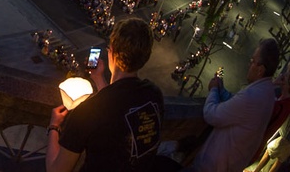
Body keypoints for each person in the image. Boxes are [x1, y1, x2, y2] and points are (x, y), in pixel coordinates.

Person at [46, 18, 164, 172]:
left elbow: (56, 170)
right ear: (145, 58)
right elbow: (116, 107)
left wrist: (53, 127)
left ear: (112, 52)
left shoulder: (86, 112)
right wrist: (98, 77)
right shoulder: (154, 95)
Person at [191, 38, 280, 172]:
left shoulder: (253, 96)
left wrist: (214, 89)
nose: (249, 65)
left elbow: (211, 114)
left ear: (260, 70)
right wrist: (222, 91)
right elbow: (237, 105)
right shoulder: (267, 93)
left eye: (252, 61)